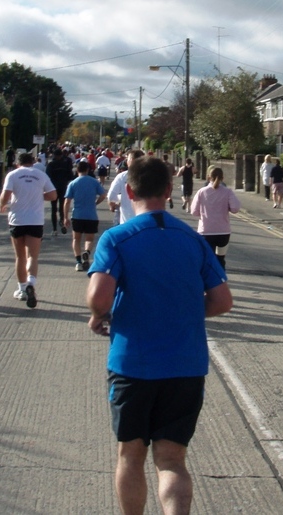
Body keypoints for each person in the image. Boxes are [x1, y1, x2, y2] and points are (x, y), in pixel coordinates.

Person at [86, 156, 233, 515]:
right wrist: (180, 310)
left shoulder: (117, 238)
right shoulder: (193, 240)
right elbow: (222, 301)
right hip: (185, 365)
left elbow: (99, 296)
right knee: (171, 460)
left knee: (131, 455)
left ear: (130, 190)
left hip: (133, 364)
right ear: (169, 191)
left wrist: (98, 315)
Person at [0, 152, 57, 308]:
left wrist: (2, 205)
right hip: (35, 220)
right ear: (33, 162)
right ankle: (31, 282)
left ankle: (22, 289)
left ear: (18, 163)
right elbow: (53, 195)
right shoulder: (40, 175)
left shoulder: (13, 175)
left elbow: (5, 195)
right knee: (32, 256)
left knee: (20, 256)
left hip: (17, 220)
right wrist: (39, 195)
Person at [190, 166, 241, 269]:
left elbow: (194, 211)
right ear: (223, 178)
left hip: (206, 231)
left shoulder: (201, 192)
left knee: (208, 260)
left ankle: (209, 283)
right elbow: (235, 208)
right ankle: (221, 280)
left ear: (209, 177)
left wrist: (204, 214)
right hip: (223, 232)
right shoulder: (228, 192)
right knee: (220, 259)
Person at [63, 160, 107, 272]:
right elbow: (103, 195)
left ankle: (78, 262)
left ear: (77, 170)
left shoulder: (73, 183)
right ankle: (87, 253)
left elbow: (67, 201)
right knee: (89, 239)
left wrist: (65, 217)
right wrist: (96, 202)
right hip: (91, 215)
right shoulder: (94, 182)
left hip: (77, 215)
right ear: (88, 170)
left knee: (76, 239)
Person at [107, 149, 144, 225]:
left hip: (126, 222)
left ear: (130, 161)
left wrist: (113, 204)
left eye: (127, 159)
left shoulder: (122, 177)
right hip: (146, 224)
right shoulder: (151, 177)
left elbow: (111, 196)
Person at [46, 147, 73, 236]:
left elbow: (47, 177)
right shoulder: (65, 165)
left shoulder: (51, 165)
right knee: (62, 207)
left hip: (53, 188)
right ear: (61, 155)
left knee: (53, 209)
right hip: (63, 188)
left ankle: (54, 229)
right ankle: (62, 223)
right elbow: (70, 176)